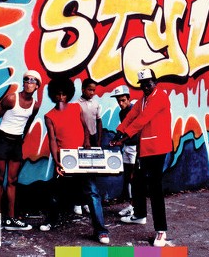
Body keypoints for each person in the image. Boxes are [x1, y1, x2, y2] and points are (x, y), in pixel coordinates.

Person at [40, 76, 110, 245]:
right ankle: (51, 220)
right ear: (53, 95)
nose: (61, 97)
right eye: (58, 94)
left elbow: (85, 127)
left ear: (69, 94)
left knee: (92, 192)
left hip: (80, 156)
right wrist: (56, 161)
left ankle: (101, 231)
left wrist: (86, 142)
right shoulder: (49, 116)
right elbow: (52, 140)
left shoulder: (76, 108)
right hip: (64, 159)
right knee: (55, 192)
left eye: (64, 94)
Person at [110, 68, 172, 247]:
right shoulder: (143, 99)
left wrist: (124, 136)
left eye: (148, 83)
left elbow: (142, 119)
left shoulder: (160, 97)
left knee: (155, 188)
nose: (145, 86)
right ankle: (139, 215)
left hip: (158, 148)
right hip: (145, 148)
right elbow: (131, 115)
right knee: (137, 180)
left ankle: (161, 231)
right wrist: (119, 131)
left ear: (155, 82)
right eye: (142, 84)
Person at [0, 70, 41, 230]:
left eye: (32, 80)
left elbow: (28, 123)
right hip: (2, 141)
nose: (29, 82)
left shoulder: (35, 105)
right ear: (23, 83)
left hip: (16, 143)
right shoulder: (11, 99)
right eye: (26, 79)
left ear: (37, 86)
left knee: (12, 181)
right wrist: (0, 139)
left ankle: (11, 218)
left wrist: (20, 138)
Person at [75, 77, 103, 214]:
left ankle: (87, 202)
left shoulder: (96, 104)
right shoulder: (76, 104)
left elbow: (99, 122)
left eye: (94, 90)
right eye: (89, 90)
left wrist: (98, 141)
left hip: (92, 139)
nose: (92, 93)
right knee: (79, 172)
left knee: (91, 171)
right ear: (83, 89)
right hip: (80, 139)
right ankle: (77, 203)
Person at [110, 85, 138, 217]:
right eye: (118, 101)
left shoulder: (134, 110)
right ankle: (131, 206)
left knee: (133, 177)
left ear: (128, 98)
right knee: (127, 177)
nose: (120, 103)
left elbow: (134, 131)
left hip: (135, 147)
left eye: (123, 100)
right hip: (127, 147)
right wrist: (116, 139)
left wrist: (120, 141)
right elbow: (123, 128)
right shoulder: (121, 113)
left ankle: (135, 208)